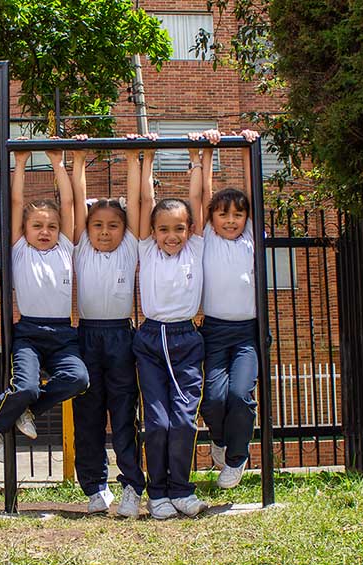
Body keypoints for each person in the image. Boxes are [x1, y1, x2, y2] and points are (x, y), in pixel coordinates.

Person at [0, 142, 90, 462]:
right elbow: (15, 200)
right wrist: (21, 163)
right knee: (24, 386)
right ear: (24, 230)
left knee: (78, 379)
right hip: (29, 333)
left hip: (63, 335)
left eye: (51, 226)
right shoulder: (19, 249)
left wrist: (57, 163)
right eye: (37, 226)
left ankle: (27, 411)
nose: (45, 231)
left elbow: (68, 202)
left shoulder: (66, 247)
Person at [70, 134, 153, 517]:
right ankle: (94, 487)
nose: (105, 231)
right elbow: (73, 200)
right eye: (98, 225)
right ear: (87, 229)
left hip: (121, 336)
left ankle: (132, 486)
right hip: (86, 336)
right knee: (88, 416)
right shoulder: (81, 247)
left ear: (124, 229)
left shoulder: (130, 248)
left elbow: (139, 203)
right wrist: (79, 160)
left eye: (113, 225)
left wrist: (139, 159)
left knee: (123, 413)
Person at [132, 135, 212, 519]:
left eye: (178, 228)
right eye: (163, 229)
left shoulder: (196, 246)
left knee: (182, 419)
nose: (171, 236)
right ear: (153, 231)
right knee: (157, 421)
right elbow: (144, 202)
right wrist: (144, 158)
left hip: (185, 338)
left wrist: (202, 157)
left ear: (189, 229)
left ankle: (181, 489)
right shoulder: (146, 248)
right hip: (149, 339)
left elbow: (200, 200)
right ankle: (157, 492)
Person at [196, 128, 262, 489]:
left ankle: (236, 458)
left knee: (240, 395)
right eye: (224, 215)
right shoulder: (206, 237)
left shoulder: (251, 235)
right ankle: (219, 441)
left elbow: (255, 194)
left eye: (238, 214)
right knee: (213, 399)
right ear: (213, 218)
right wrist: (207, 152)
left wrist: (249, 149)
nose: (232, 220)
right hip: (215, 331)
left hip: (246, 334)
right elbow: (204, 195)